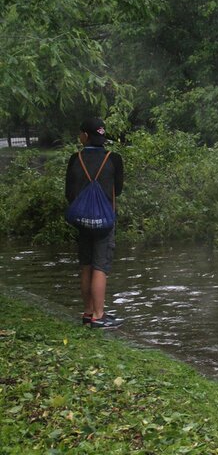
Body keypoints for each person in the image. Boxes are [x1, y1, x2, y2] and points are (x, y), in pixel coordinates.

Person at [65, 118, 125, 328]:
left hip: (82, 220)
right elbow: (117, 191)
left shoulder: (75, 159)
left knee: (86, 265)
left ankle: (88, 312)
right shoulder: (114, 158)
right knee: (101, 266)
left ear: (84, 136)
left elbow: (69, 193)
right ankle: (100, 316)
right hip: (105, 220)